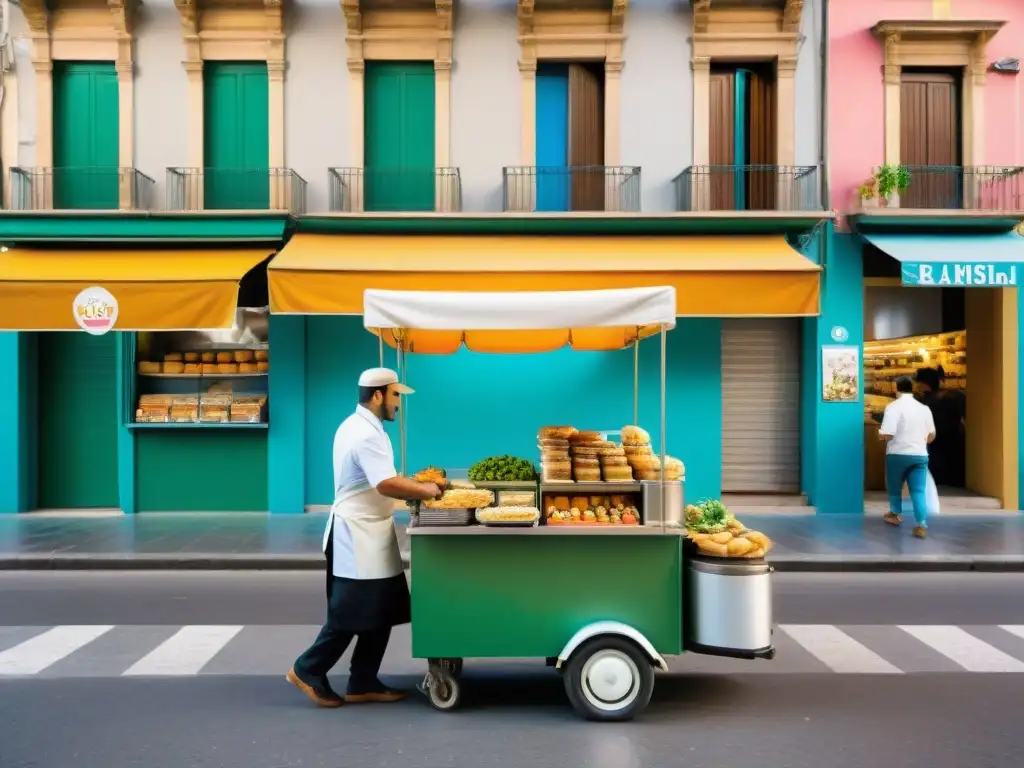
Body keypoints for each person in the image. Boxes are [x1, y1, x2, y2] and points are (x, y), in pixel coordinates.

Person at [287, 367, 445, 708]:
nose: (398, 404)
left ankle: (362, 680)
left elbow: (383, 477)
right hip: (355, 534)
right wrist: (427, 490)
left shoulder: (360, 426)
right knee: (350, 612)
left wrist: (413, 487)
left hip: (374, 528)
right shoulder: (366, 434)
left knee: (383, 608)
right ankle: (307, 669)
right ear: (378, 395)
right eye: (395, 396)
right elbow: (385, 483)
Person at [879, 375, 936, 539]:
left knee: (895, 487)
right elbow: (931, 435)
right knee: (918, 491)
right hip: (919, 455)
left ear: (896, 388)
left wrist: (880, 435)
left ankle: (895, 514)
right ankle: (921, 524)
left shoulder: (893, 407)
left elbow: (888, 434)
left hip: (898, 454)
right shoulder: (924, 409)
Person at [915, 366, 966, 488]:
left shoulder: (927, 405)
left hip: (938, 456)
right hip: (954, 454)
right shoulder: (956, 398)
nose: (915, 387)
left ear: (925, 385)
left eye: (918, 383)